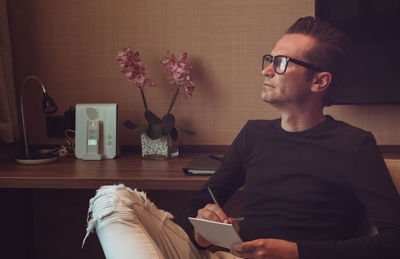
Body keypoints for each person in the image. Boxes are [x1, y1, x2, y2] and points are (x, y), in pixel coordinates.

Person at [82, 17, 400, 259]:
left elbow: (394, 240)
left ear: (319, 81)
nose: (266, 71)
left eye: (281, 63)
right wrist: (203, 228)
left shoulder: (354, 145)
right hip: (230, 254)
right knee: (112, 198)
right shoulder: (254, 135)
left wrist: (295, 251)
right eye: (269, 59)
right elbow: (192, 209)